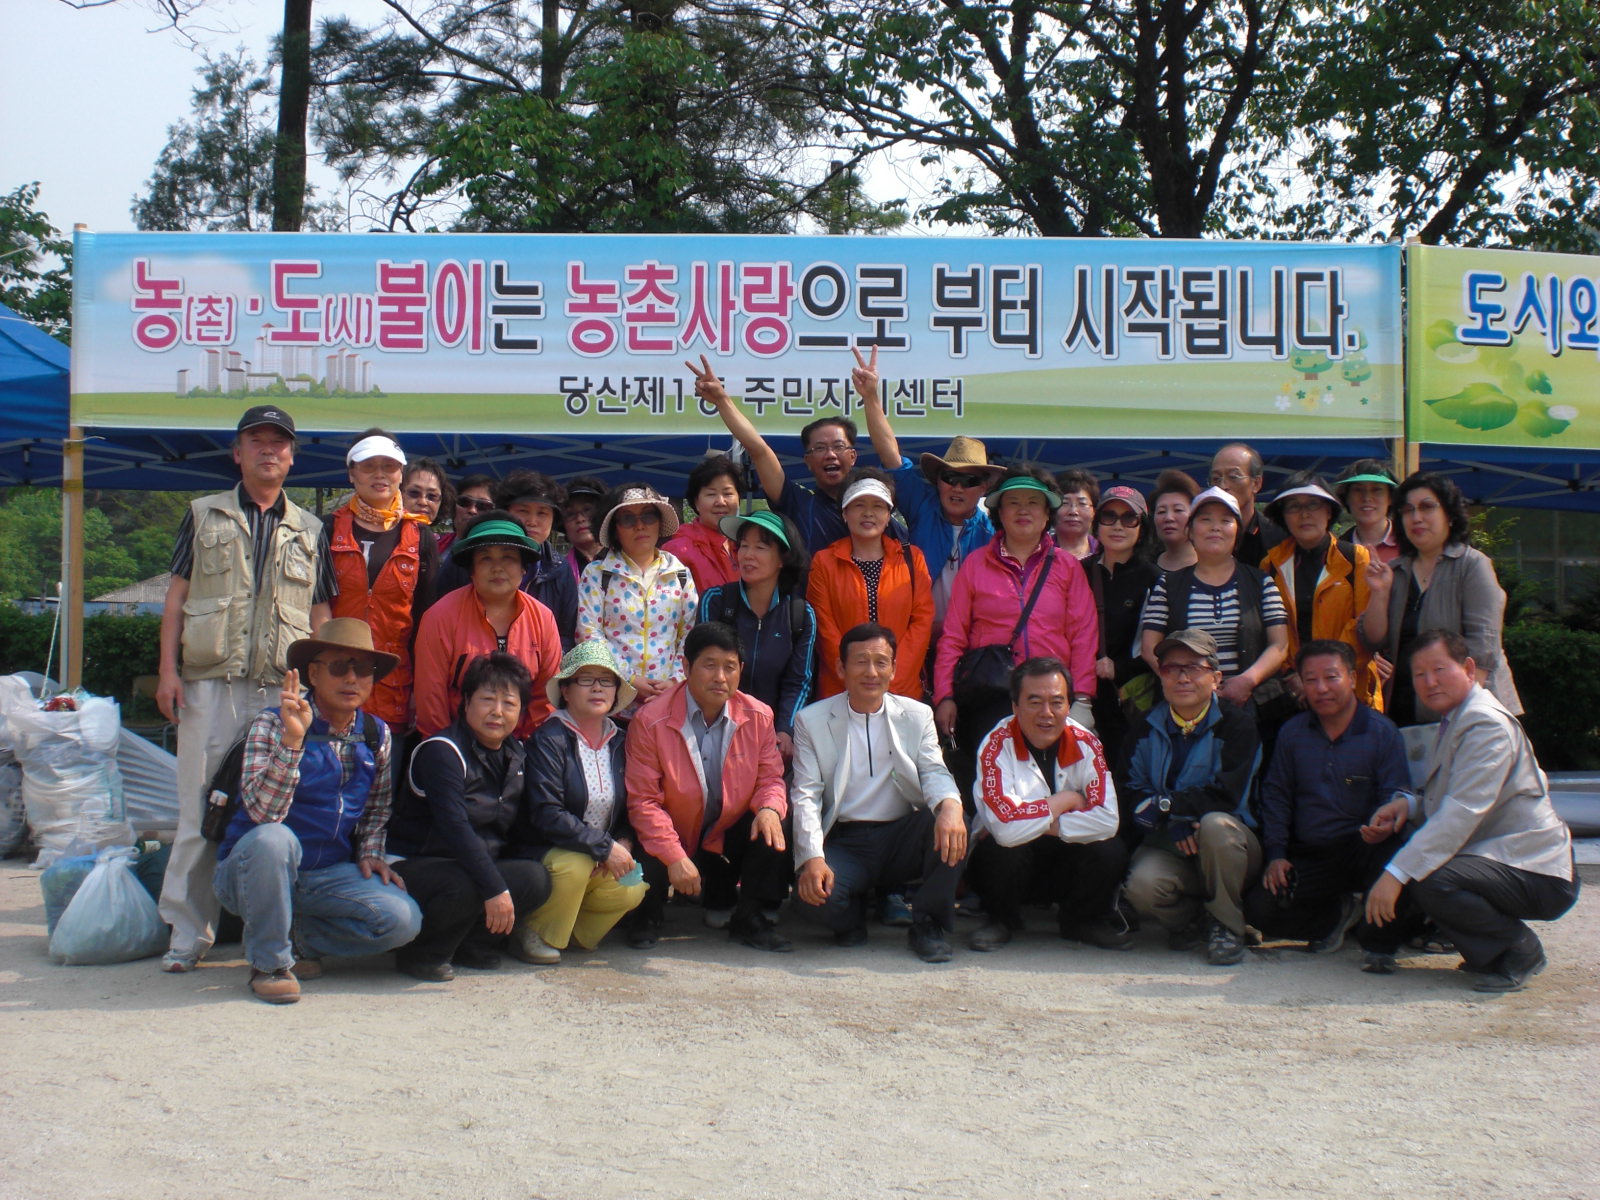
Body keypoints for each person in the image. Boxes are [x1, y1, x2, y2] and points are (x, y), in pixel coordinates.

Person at [155, 404, 338, 974]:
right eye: (256, 441)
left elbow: (322, 610)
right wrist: (167, 671)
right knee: (197, 812)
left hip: (279, 688)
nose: (268, 451)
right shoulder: (203, 513)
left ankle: (271, 933)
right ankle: (187, 935)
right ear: (237, 453)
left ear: (292, 456)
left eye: (279, 444)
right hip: (209, 682)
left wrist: (323, 687)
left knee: (277, 808)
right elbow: (176, 598)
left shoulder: (310, 529)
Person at [211, 619, 422, 1004]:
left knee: (402, 921)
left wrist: (372, 853)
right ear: (313, 673)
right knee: (274, 840)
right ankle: (270, 963)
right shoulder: (271, 724)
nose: (352, 679)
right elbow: (263, 815)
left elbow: (377, 808)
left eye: (363, 670)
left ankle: (295, 937)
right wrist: (294, 741)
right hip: (252, 871)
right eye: (340, 667)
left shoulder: (376, 734)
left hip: (325, 874)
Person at [1363, 630, 1578, 993]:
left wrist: (1395, 874)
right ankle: (1491, 952)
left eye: (1439, 670)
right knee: (1417, 860)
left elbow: (1461, 812)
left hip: (1538, 869)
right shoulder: (1457, 718)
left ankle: (1519, 950)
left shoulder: (1485, 723)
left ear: (1468, 668)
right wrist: (1409, 805)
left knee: (1428, 875)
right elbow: (1457, 796)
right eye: (1419, 674)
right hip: (1502, 857)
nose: (1430, 682)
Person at [790, 623, 968, 963]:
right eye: (861, 661)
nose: (871, 672)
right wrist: (813, 858)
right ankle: (852, 916)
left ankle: (928, 925)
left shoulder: (917, 715)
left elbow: (933, 770)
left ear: (894, 668)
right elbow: (806, 794)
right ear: (841, 668)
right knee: (812, 900)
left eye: (881, 662)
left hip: (903, 834)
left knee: (957, 825)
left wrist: (950, 807)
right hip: (848, 841)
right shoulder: (811, 720)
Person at [1241, 641, 1415, 973]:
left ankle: (1379, 945)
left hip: (1364, 845)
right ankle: (1338, 917)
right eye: (1311, 679)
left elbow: (1397, 793)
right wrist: (1277, 854)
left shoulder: (1381, 732)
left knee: (1396, 856)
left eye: (1331, 677)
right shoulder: (1292, 734)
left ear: (1352, 677)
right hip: (1312, 852)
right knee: (1259, 909)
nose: (1321, 688)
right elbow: (1276, 797)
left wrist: (1384, 823)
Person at [623, 622, 791, 951]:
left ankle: (750, 917)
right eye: (709, 665)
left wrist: (770, 808)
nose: (720, 677)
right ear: (686, 667)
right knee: (646, 846)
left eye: (730, 667)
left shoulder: (759, 716)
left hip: (724, 833)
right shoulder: (650, 719)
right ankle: (647, 916)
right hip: (672, 829)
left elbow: (770, 778)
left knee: (776, 821)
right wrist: (674, 857)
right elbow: (643, 802)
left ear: (741, 669)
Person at [934, 468, 1099, 800]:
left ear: (1046, 512)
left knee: (1053, 788)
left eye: (1033, 503)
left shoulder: (1067, 566)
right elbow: (953, 635)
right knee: (996, 788)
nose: (1024, 510)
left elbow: (1083, 634)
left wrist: (1082, 697)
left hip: (1052, 700)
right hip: (990, 697)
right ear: (999, 512)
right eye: (1013, 503)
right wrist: (944, 696)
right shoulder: (976, 564)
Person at [388, 652, 554, 981]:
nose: (497, 712)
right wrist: (495, 888)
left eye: (509, 703)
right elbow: (455, 828)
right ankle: (421, 954)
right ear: (466, 702)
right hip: (415, 864)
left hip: (468, 864)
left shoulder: (516, 755)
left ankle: (469, 944)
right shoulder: (442, 751)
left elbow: (520, 829)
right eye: (487, 700)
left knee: (535, 878)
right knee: (471, 882)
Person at [966, 657, 1130, 952]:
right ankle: (1000, 920)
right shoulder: (995, 745)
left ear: (1069, 705)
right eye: (1034, 702)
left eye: (1057, 702)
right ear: (1015, 706)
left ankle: (1081, 921)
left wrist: (1028, 819)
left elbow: (1108, 821)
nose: (1047, 713)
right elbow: (1004, 831)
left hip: (1065, 860)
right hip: (1012, 862)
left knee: (1109, 848)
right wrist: (1064, 800)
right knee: (999, 849)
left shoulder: (1086, 743)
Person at [1120, 629, 1263, 966]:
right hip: (1171, 844)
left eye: (1193, 669)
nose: (1182, 677)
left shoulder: (1237, 726)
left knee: (1214, 825)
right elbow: (1130, 789)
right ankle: (1191, 922)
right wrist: (1172, 823)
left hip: (1231, 846)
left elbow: (1227, 794)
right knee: (1142, 886)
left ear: (1216, 678)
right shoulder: (1145, 726)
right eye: (1171, 669)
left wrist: (1170, 809)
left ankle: (1227, 926)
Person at [854, 344, 1002, 643]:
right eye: (949, 477)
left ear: (984, 487)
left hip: (971, 642)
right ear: (938, 480)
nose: (957, 487)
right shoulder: (922, 504)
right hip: (913, 636)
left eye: (969, 480)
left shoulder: (994, 533)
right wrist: (871, 397)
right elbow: (890, 454)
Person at [689, 355, 904, 554]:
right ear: (807, 461)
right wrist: (722, 400)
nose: (830, 454)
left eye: (838, 446)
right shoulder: (798, 504)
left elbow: (892, 458)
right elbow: (760, 451)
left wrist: (870, 396)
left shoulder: (878, 515)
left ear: (853, 456)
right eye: (819, 448)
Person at [519, 640, 649, 961]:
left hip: (602, 850)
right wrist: (602, 848)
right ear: (566, 690)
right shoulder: (549, 738)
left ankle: (570, 933)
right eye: (585, 679)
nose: (597, 688)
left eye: (606, 680)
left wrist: (623, 842)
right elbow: (546, 813)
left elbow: (631, 803)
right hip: (548, 850)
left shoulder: (622, 739)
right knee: (574, 865)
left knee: (631, 887)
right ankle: (534, 931)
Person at [1359, 471, 1520, 726]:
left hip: (1469, 715)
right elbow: (1373, 639)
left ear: (1450, 515)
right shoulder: (1397, 571)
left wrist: (1460, 716)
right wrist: (1379, 594)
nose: (1416, 518)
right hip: (1405, 712)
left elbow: (1483, 647)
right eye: (1408, 510)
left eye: (1427, 507)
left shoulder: (1472, 565)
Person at [326, 430, 439, 735]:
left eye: (389, 466)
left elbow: (426, 620)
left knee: (382, 780)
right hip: (335, 680)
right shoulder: (326, 529)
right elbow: (316, 607)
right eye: (368, 466)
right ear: (352, 474)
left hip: (395, 686)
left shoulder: (421, 537)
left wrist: (421, 688)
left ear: (401, 473)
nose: (380, 474)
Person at [1140, 486, 1289, 716]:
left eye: (1226, 520)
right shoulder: (1168, 585)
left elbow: (1279, 645)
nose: (1215, 527)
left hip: (1250, 708)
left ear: (1237, 532)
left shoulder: (1261, 582)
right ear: (1189, 531)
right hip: (1185, 710)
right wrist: (1184, 684)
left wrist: (1247, 681)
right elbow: (1149, 648)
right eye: (1205, 519)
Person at [412, 512, 561, 738]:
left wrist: (528, 750)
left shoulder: (543, 618)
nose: (497, 567)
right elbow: (430, 699)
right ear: (471, 569)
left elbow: (545, 696)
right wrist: (445, 751)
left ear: (523, 568)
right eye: (485, 558)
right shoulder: (440, 617)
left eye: (508, 557)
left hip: (523, 747)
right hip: (455, 744)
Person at [698, 509, 817, 761]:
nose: (748, 555)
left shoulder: (800, 615)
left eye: (761, 547)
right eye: (743, 546)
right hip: (716, 734)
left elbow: (799, 681)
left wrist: (786, 730)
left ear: (782, 558)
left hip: (772, 740)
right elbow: (705, 671)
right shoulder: (716, 601)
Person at [1259, 473, 1383, 711]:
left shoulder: (1356, 559)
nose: (1304, 514)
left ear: (1329, 511)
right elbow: (1273, 630)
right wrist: (1297, 677)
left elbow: (1362, 627)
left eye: (1313, 504)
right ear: (1283, 516)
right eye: (1294, 506)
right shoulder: (1271, 565)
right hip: (1295, 694)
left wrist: (1322, 677)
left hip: (1351, 693)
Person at [807, 469, 933, 701]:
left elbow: (922, 621)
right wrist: (854, 675)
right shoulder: (824, 562)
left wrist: (892, 675)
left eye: (878, 506)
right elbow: (824, 627)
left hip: (901, 689)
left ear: (888, 516)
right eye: (858, 505)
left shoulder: (912, 559)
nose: (868, 513)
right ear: (844, 513)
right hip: (841, 690)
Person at [575, 483, 700, 709]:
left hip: (668, 702)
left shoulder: (680, 574)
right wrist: (630, 679)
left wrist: (674, 681)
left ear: (660, 522)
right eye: (628, 519)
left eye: (648, 516)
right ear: (615, 528)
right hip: (610, 701)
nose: (640, 526)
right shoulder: (597, 574)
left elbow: (689, 635)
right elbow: (588, 634)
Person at [435, 471, 579, 650]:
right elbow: (440, 615)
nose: (532, 521)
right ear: (505, 513)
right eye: (523, 511)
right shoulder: (468, 556)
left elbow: (566, 633)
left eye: (542, 513)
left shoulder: (559, 569)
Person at [1084, 484, 1160, 755]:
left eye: (1129, 518)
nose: (1118, 525)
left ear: (1142, 527)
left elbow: (1160, 647)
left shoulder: (1155, 578)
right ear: (1097, 524)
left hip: (1131, 700)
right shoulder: (1080, 571)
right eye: (1109, 516)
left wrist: (1120, 668)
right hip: (1082, 697)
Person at [660, 453, 743, 592]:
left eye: (728, 494)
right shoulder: (677, 551)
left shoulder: (746, 545)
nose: (721, 502)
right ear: (696, 502)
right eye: (711, 494)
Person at [1209, 442, 1286, 565]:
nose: (1223, 486)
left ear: (1256, 483)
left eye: (1233, 477)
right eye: (1216, 479)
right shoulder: (1201, 535)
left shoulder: (1277, 538)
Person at [1334, 459, 1400, 565]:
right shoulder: (1335, 552)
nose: (1367, 498)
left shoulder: (1410, 545)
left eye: (1376, 490)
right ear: (1346, 497)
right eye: (1358, 490)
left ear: (1390, 498)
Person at [1149, 468, 1201, 575]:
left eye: (1178, 510)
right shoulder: (1146, 568)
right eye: (1161, 511)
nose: (1169, 518)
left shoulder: (1210, 568)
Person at [560, 476, 609, 583]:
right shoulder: (557, 573)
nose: (580, 518)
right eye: (570, 514)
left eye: (587, 510)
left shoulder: (627, 560)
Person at [438, 472, 495, 554]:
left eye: (483, 505)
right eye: (465, 501)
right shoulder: (434, 545)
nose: (472, 510)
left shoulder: (499, 554)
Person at [1052, 469, 1101, 560]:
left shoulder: (1104, 553)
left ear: (1094, 511)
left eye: (1082, 504)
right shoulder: (1038, 553)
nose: (1073, 511)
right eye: (1065, 503)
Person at [401, 456, 453, 529]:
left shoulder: (431, 539)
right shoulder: (383, 536)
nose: (423, 502)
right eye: (414, 493)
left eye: (432, 496)